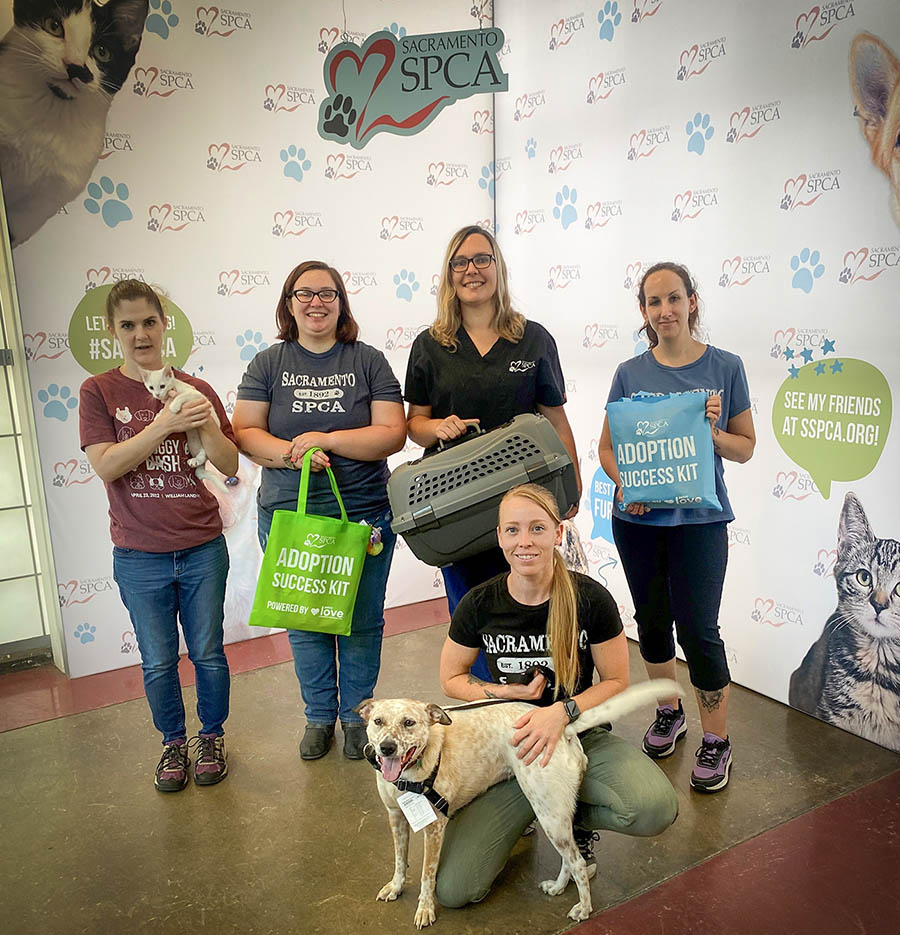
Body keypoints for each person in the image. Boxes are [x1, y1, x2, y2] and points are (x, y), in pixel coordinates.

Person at [436, 483, 678, 907]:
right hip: (509, 748)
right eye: (513, 530)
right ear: (499, 536)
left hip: (580, 733)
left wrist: (562, 712)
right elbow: (451, 679)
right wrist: (502, 691)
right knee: (455, 890)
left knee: (653, 808)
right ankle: (538, 809)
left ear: (558, 532)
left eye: (537, 528)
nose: (524, 541)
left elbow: (616, 680)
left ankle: (567, 819)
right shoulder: (479, 603)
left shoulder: (590, 598)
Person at [233, 260, 406, 761]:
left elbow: (391, 434)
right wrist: (295, 453)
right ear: (289, 304)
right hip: (289, 515)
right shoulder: (267, 364)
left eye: (327, 293)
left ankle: (356, 717)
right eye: (304, 293)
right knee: (305, 621)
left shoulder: (368, 361)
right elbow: (245, 432)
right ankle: (318, 716)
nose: (316, 302)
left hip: (365, 514)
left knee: (362, 621)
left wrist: (326, 439)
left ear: (341, 303)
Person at [598, 261, 756, 793]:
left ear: (692, 301)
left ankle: (716, 741)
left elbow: (746, 448)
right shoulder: (629, 373)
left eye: (673, 298)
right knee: (652, 621)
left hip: (701, 523)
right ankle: (669, 711)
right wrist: (626, 486)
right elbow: (607, 449)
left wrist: (712, 434)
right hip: (638, 522)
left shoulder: (725, 367)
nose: (664, 310)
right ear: (643, 311)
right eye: (653, 301)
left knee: (699, 630)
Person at [79, 280, 238, 792]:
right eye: (128, 325)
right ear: (112, 331)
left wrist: (204, 423)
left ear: (163, 324)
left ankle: (210, 737)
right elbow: (107, 465)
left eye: (149, 322)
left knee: (208, 653)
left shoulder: (196, 387)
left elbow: (230, 464)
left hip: (202, 547)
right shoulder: (98, 391)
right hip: (139, 554)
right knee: (157, 661)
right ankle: (172, 743)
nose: (140, 334)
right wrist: (164, 424)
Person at [405, 224, 581, 669]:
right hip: (457, 508)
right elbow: (414, 425)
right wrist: (436, 428)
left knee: (535, 609)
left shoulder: (534, 338)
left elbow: (556, 419)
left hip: (525, 503)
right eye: (461, 262)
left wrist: (572, 487)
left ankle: (540, 700)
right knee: (472, 614)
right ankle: (486, 700)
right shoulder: (429, 346)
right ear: (449, 274)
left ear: (498, 268)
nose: (472, 270)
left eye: (482, 259)